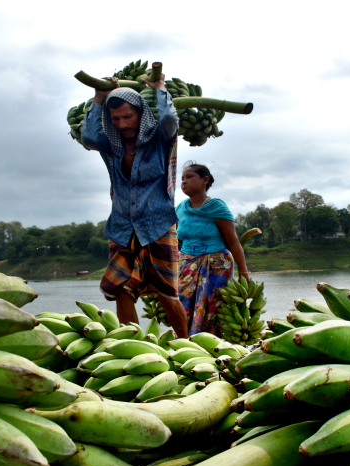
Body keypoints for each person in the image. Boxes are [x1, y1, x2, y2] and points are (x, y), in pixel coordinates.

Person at [80, 73, 189, 338]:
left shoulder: (159, 139)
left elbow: (169, 119)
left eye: (128, 116)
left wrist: (160, 88)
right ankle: (134, 347)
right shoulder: (112, 146)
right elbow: (89, 136)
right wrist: (99, 97)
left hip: (158, 225)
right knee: (122, 290)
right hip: (122, 227)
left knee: (168, 293)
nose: (122, 124)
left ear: (140, 113)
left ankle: (188, 344)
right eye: (116, 119)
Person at [176, 162, 250, 337]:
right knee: (183, 307)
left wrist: (244, 273)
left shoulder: (217, 207)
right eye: (182, 179)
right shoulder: (180, 208)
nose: (184, 182)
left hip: (216, 266)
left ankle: (210, 347)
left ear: (205, 180)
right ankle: (185, 345)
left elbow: (233, 242)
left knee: (211, 309)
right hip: (186, 264)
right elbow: (174, 240)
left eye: (189, 177)